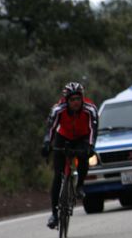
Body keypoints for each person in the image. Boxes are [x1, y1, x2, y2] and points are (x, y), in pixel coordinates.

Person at [41, 81, 99, 229]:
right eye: (72, 100)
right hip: (64, 137)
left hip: (82, 137)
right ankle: (54, 214)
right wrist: (47, 143)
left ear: (82, 98)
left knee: (83, 157)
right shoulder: (58, 110)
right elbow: (50, 128)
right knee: (58, 176)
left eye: (78, 99)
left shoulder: (90, 109)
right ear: (66, 100)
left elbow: (93, 129)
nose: (76, 103)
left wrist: (91, 146)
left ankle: (79, 185)